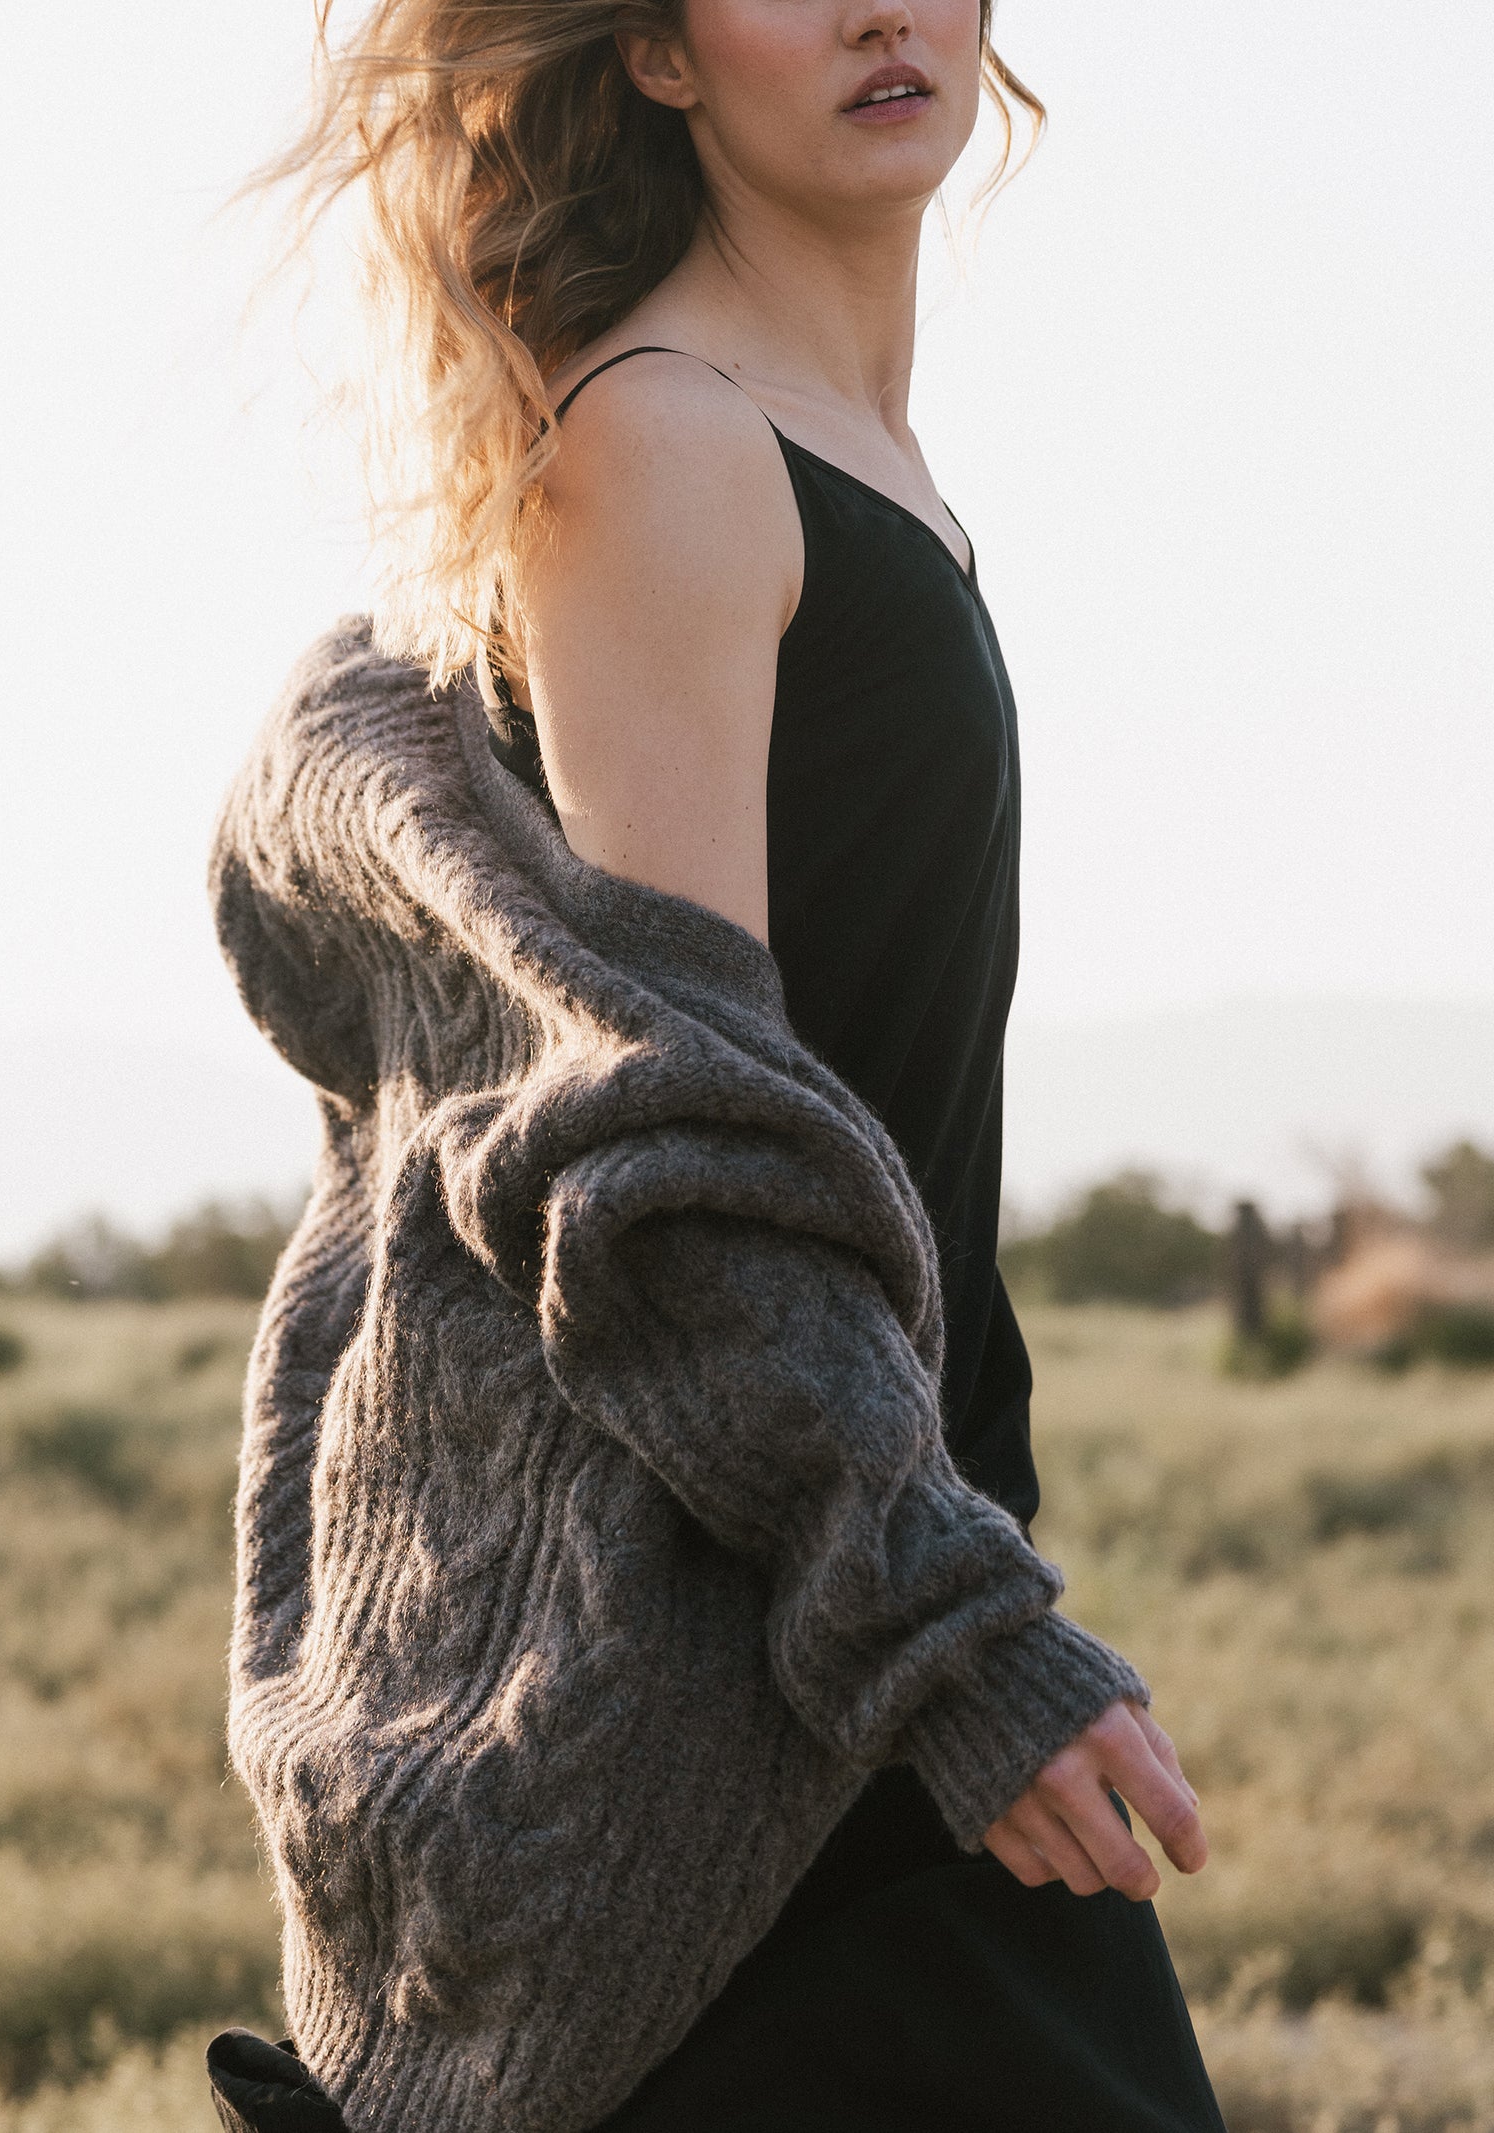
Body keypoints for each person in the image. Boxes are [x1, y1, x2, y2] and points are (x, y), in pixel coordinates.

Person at [207, 0, 1227, 2127]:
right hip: (760, 1700)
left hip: (853, 1618)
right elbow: (660, 1146)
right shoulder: (665, 447)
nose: (874, 8)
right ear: (658, 58)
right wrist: (951, 1638)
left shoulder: (852, 465)